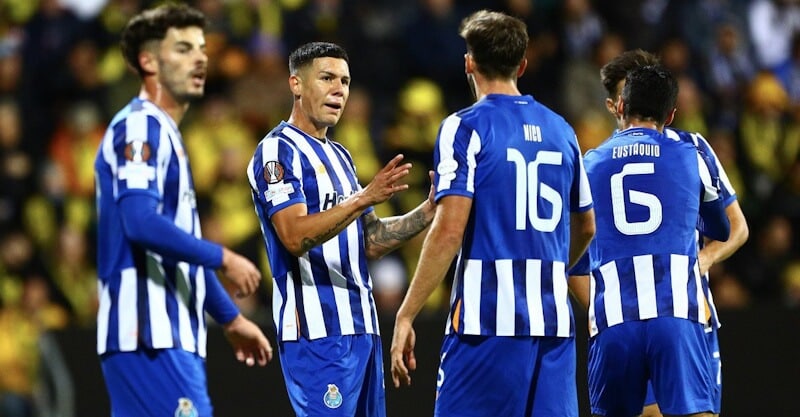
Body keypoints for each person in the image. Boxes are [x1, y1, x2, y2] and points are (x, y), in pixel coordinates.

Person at [390, 10, 596, 417]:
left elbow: (449, 231)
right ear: (522, 64)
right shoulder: (562, 131)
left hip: (486, 325)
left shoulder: (464, 128)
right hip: (553, 324)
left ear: (469, 62)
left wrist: (406, 314)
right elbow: (587, 225)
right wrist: (551, 271)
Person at [93, 4, 273, 417]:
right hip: (149, 333)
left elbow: (173, 248)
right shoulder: (140, 126)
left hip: (165, 333)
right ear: (148, 61)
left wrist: (228, 318)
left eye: (202, 48)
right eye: (183, 48)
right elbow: (139, 223)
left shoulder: (167, 135)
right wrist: (223, 256)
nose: (201, 58)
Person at [247, 41, 436, 417]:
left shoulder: (341, 155)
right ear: (296, 85)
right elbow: (294, 235)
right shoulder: (277, 152)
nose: (339, 90)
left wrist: (430, 210)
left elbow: (369, 242)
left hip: (363, 327)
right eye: (327, 78)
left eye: (345, 82)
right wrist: (363, 198)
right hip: (316, 333)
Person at [569, 49, 749, 417]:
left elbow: (570, 256)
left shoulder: (590, 163)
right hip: (677, 313)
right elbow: (726, 226)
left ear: (622, 107)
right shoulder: (689, 153)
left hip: (624, 318)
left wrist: (706, 258)